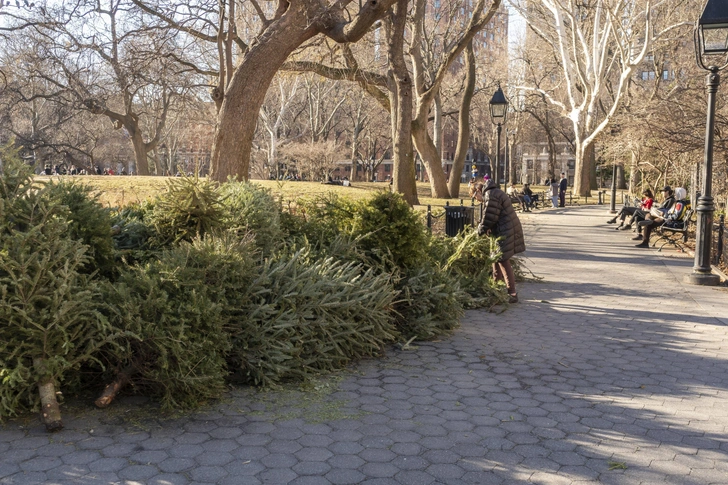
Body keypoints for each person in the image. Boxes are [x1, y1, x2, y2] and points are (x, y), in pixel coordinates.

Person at [472, 178, 526, 303]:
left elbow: (489, 217)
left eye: (475, 197)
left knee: (502, 259)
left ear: (478, 191)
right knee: (495, 257)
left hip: (505, 230)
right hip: (505, 228)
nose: (477, 200)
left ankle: (512, 293)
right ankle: (496, 287)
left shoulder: (490, 195)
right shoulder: (493, 192)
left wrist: (479, 231)